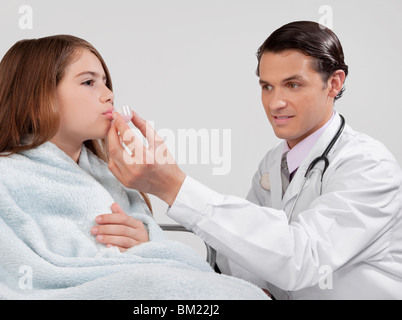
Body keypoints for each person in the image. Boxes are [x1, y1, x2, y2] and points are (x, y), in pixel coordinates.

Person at [0, 35, 268, 300]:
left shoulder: (109, 178)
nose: (108, 95)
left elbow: (157, 257)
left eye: (106, 83)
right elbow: (3, 280)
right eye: (89, 82)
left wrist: (146, 242)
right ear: (38, 99)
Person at [107, 21, 402, 299]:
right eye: (267, 86)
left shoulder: (369, 166)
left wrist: (174, 186)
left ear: (334, 83)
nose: (275, 103)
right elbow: (242, 262)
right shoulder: (274, 163)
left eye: (293, 85)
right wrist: (155, 246)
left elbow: (301, 261)